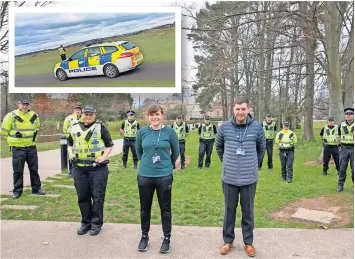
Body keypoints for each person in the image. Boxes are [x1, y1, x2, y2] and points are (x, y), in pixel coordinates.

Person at [215, 96, 265, 257]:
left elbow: (261, 149)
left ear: (248, 109)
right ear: (233, 110)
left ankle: (248, 243)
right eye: (238, 109)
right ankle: (228, 241)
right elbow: (219, 147)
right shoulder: (224, 127)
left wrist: (252, 166)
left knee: (248, 212)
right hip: (229, 178)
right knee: (229, 210)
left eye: (243, 109)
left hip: (249, 178)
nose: (240, 112)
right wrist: (228, 163)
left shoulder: (257, 128)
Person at [135, 104, 179, 253]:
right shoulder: (142, 132)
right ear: (148, 117)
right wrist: (147, 162)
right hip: (145, 176)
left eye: (157, 114)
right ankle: (144, 236)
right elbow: (139, 151)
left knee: (165, 209)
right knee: (144, 209)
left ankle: (167, 238)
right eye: (152, 114)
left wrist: (168, 164)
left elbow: (176, 152)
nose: (155, 117)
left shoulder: (170, 132)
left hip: (164, 176)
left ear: (162, 115)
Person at [67, 106, 114, 236]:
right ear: (82, 114)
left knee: (97, 197)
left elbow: (109, 145)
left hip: (97, 169)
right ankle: (85, 223)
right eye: (86, 114)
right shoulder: (74, 126)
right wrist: (70, 154)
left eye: (91, 114)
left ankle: (96, 224)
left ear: (95, 114)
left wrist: (103, 157)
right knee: (83, 197)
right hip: (79, 168)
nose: (88, 116)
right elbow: (69, 144)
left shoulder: (100, 127)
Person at [0, 99, 45, 199]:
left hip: (31, 147)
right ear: (19, 104)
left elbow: (37, 128)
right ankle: (17, 192)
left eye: (26, 104)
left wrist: (33, 139)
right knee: (18, 171)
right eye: (23, 104)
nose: (25, 106)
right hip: (18, 148)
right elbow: (3, 131)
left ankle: (36, 189)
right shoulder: (11, 115)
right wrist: (11, 141)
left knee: (34, 169)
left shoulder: (34, 115)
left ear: (29, 105)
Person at [336, 108, 354, 192]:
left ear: (353, 115)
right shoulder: (342, 125)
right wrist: (339, 146)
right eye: (347, 114)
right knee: (342, 168)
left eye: (350, 114)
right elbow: (339, 135)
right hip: (344, 148)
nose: (348, 115)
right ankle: (340, 185)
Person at [63, 104, 82, 177]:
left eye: (79, 110)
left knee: (79, 154)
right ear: (74, 111)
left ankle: (79, 169)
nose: (78, 111)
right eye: (76, 109)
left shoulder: (83, 118)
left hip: (80, 139)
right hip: (71, 138)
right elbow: (65, 128)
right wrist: (68, 136)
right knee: (71, 154)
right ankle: (71, 171)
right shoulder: (69, 118)